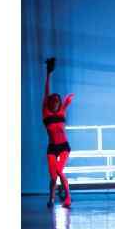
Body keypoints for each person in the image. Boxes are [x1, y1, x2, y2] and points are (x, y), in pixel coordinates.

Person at [42, 58, 73, 208]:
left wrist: (67, 101)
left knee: (60, 171)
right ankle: (51, 198)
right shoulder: (45, 112)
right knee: (53, 176)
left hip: (64, 146)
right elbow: (46, 91)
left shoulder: (61, 111)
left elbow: (65, 104)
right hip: (52, 148)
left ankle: (68, 198)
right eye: (53, 101)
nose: (55, 103)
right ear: (49, 102)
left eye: (57, 101)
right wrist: (48, 74)